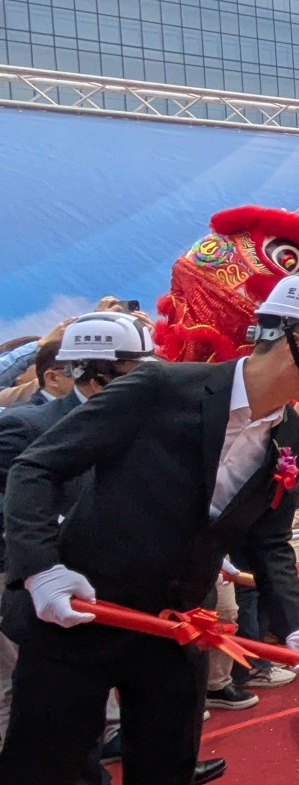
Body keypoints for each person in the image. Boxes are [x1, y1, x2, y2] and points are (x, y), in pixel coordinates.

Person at [0, 274, 299, 785]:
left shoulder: (292, 435)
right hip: (79, 614)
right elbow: (34, 468)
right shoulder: (161, 389)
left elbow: (271, 541)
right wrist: (42, 570)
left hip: (175, 627)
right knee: (44, 769)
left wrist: (297, 622)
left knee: (169, 768)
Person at [0, 313, 155, 760]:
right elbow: (15, 500)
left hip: (96, 582)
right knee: (26, 694)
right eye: (136, 369)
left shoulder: (130, 424)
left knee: (90, 699)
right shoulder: (26, 426)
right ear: (97, 371)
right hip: (29, 579)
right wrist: (53, 535)